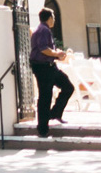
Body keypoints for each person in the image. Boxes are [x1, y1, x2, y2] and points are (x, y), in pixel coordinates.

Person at [30, 8, 75, 136]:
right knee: (45, 97)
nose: (54, 20)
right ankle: (43, 128)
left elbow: (46, 49)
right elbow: (44, 49)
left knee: (68, 87)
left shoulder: (43, 30)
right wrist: (57, 53)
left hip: (50, 66)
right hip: (43, 67)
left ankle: (55, 113)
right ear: (49, 18)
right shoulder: (43, 30)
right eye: (53, 18)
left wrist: (57, 54)